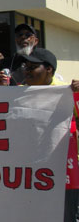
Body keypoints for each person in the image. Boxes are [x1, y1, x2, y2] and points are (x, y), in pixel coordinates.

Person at [18, 48, 78, 221]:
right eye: (25, 66)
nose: (26, 71)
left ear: (49, 69)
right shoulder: (16, 92)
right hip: (31, 171)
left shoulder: (66, 92)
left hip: (62, 169)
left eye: (32, 67)